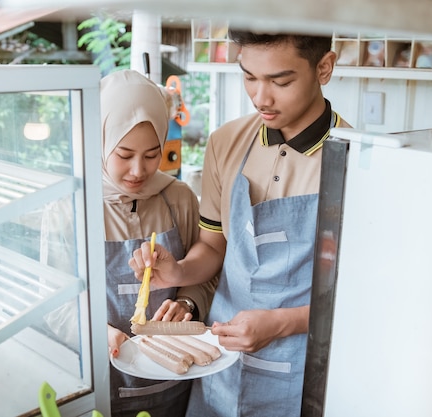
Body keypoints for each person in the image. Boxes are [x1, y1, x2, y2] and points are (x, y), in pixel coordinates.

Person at [129, 29, 351, 416]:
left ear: (324, 67)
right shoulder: (226, 142)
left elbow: (360, 297)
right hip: (220, 357)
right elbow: (214, 246)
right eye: (248, 76)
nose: (260, 97)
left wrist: (280, 324)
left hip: (302, 366)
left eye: (280, 81)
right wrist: (178, 270)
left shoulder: (355, 160)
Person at [100, 69, 217, 417]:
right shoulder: (73, 204)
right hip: (101, 382)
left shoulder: (178, 197)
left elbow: (206, 273)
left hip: (174, 380)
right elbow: (57, 304)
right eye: (124, 154)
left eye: (152, 155)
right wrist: (95, 333)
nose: (139, 170)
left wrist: (188, 303)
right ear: (100, 139)